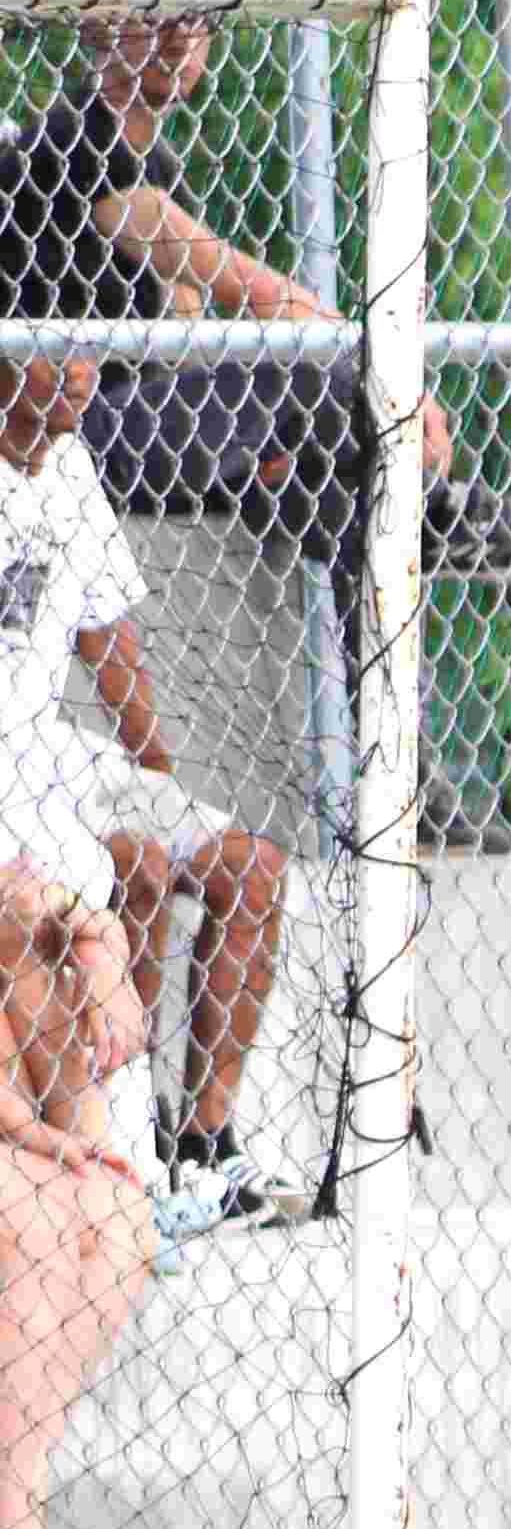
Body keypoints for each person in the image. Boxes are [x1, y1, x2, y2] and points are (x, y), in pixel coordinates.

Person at [0, 352, 301, 1242]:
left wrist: (159, 775)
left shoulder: (74, 468)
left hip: (52, 750)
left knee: (250, 870)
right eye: (56, 344)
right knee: (134, 864)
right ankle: (125, 1155)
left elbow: (104, 632)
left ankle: (204, 1142)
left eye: (93, 346)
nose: (82, 371)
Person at [0, 6, 465, 569]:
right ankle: (446, 515)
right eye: (151, 19)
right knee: (310, 376)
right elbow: (248, 287)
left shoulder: (161, 166)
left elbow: (189, 345)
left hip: (138, 427)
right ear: (101, 29)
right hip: (60, 428)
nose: (177, 40)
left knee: (310, 477)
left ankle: (433, 541)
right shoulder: (74, 138)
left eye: (195, 23)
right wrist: (395, 382)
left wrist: (261, 436)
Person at [0, 848, 155, 1529]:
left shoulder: (34, 748)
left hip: (27, 1110)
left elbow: (30, 900)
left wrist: (101, 949)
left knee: (114, 1218)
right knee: (31, 1221)